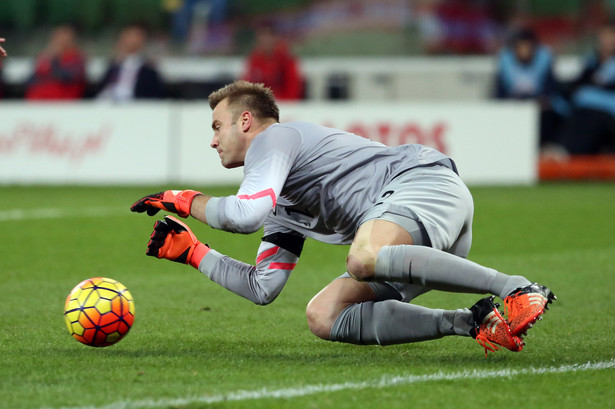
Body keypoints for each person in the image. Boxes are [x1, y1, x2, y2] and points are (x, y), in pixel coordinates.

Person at [131, 81, 556, 356]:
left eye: (217, 126)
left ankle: (517, 288)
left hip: (422, 185)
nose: (212, 140)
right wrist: (193, 252)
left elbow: (244, 215)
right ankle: (475, 322)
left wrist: (183, 199)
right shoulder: (280, 201)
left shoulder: (275, 138)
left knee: (362, 257)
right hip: (414, 241)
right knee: (323, 315)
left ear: (246, 121)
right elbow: (264, 287)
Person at [494, 28, 567, 149]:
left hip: (540, 112)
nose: (524, 51)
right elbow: (500, 94)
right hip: (514, 110)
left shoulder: (544, 60)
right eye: (520, 47)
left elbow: (550, 91)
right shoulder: (505, 62)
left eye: (527, 47)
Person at [559, 22, 615, 154]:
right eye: (605, 36)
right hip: (586, 110)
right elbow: (579, 83)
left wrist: (588, 94)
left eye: (612, 36)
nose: (609, 40)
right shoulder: (592, 62)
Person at [96, 24, 164, 101]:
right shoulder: (113, 67)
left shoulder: (149, 70)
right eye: (128, 36)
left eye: (136, 36)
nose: (131, 41)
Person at [242, 24, 303, 101]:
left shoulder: (286, 59)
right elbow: (247, 84)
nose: (265, 40)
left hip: (285, 103)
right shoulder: (254, 59)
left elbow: (294, 86)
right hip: (260, 104)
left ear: (275, 38)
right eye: (262, 37)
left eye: (268, 36)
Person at [25, 26, 86, 100]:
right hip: (37, 101)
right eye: (58, 38)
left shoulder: (77, 58)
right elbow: (31, 79)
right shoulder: (46, 57)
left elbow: (67, 77)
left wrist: (54, 58)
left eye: (64, 38)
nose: (61, 41)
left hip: (63, 102)